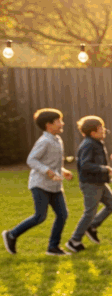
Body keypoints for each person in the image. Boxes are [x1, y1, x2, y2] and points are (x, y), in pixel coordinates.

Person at [3, 108, 74, 256]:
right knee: (40, 216)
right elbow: (32, 160)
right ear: (49, 125)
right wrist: (47, 171)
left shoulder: (57, 140)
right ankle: (11, 235)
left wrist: (62, 170)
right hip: (40, 184)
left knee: (63, 215)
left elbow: (51, 162)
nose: (62, 123)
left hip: (55, 185)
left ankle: (53, 247)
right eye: (58, 121)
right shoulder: (44, 141)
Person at [65, 116, 112, 253]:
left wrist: (106, 171)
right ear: (93, 133)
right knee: (89, 212)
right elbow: (85, 165)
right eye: (101, 128)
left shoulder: (96, 142)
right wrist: (105, 169)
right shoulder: (88, 144)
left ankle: (92, 226)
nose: (104, 130)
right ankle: (74, 240)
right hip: (90, 184)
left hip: (99, 182)